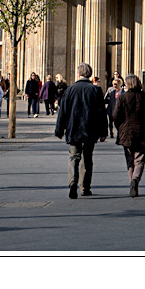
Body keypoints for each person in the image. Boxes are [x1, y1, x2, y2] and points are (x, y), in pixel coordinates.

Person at [55, 63, 108, 199]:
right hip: (90, 129)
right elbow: (101, 113)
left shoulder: (70, 90)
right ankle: (84, 187)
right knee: (87, 157)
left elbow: (63, 112)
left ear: (78, 74)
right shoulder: (96, 90)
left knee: (74, 157)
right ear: (89, 74)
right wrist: (103, 132)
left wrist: (59, 130)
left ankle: (72, 181)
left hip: (73, 128)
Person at [113, 74, 145, 198]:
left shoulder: (123, 97)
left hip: (126, 131)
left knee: (130, 160)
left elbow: (115, 116)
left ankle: (132, 183)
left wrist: (119, 127)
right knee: (139, 160)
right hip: (141, 130)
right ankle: (135, 180)